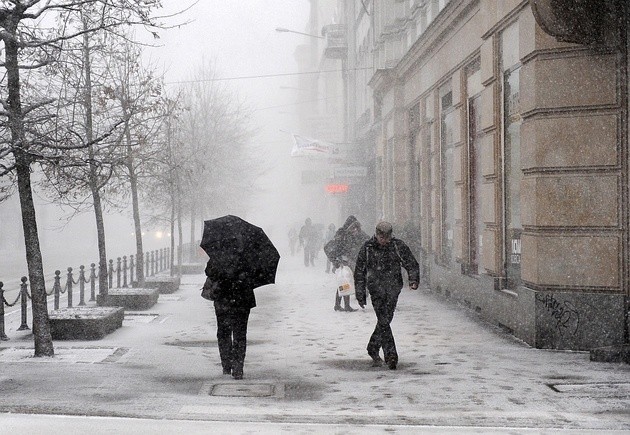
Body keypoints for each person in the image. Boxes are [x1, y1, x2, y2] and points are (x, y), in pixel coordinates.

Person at [354, 221, 419, 370]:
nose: (384, 241)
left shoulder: (397, 246)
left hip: (393, 288)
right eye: (382, 237)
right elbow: (359, 272)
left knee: (386, 319)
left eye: (387, 237)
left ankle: (372, 346)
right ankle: (391, 355)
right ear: (376, 235)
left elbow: (411, 262)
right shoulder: (368, 248)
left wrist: (413, 279)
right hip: (376, 289)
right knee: (383, 320)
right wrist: (360, 293)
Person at [203, 239, 255, 380]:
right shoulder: (247, 257)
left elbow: (209, 272)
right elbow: (254, 276)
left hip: (223, 299)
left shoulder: (218, 256)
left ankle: (226, 364)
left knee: (224, 332)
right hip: (242, 300)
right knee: (240, 334)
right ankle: (238, 368)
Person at [324, 215, 369, 312]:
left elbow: (364, 239)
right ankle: (346, 306)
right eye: (353, 227)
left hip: (349, 261)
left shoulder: (353, 234)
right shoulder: (342, 234)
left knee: (343, 282)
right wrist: (335, 261)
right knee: (345, 282)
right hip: (342, 262)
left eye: (356, 227)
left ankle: (338, 305)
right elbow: (329, 247)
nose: (355, 230)